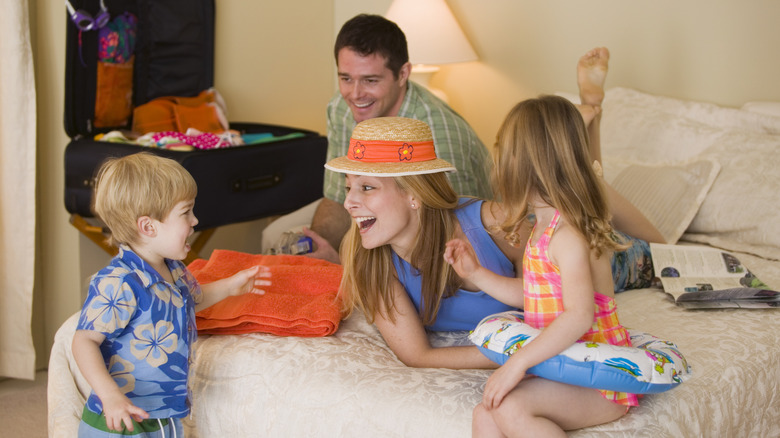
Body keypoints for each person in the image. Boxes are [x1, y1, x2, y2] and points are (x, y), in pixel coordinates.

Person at [328, 113, 663, 369]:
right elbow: (419, 355)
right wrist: (516, 357)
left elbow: (558, 302)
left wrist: (523, 357)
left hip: (577, 263)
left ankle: (584, 170)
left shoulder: (493, 224)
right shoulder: (367, 259)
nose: (349, 203)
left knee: (650, 250)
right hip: (542, 304)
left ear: (414, 196)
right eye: (348, 188)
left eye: (367, 187)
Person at [445, 95, 637, 436]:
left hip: (600, 377)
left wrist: (517, 364)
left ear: (530, 164)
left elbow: (578, 315)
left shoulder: (567, 236)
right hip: (565, 367)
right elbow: (534, 295)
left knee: (510, 407)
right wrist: (476, 273)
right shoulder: (541, 228)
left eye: (505, 152)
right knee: (485, 413)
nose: (499, 162)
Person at [262, 13, 492, 263]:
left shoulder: (437, 132)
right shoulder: (341, 108)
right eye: (346, 78)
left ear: (403, 74)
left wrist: (343, 261)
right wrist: (321, 252)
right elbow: (339, 196)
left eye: (370, 80)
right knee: (274, 236)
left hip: (442, 233)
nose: (355, 94)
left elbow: (448, 235)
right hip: (371, 204)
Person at [71, 152, 271, 436]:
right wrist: (110, 396)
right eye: (185, 212)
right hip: (120, 419)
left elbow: (192, 300)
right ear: (148, 227)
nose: (195, 220)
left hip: (163, 412)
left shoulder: (175, 270)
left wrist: (230, 287)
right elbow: (84, 341)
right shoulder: (120, 282)